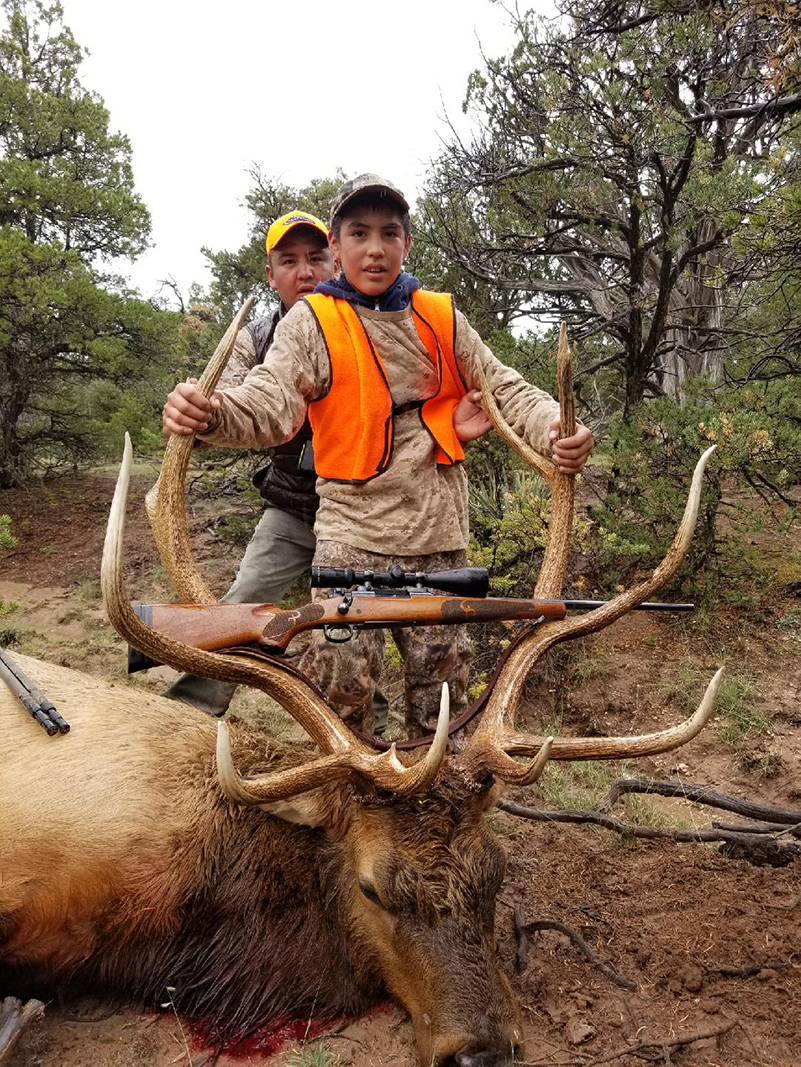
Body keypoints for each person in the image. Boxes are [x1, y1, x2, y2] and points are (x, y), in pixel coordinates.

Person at [164, 175, 593, 738]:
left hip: (437, 538)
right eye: (359, 233)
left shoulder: (440, 317)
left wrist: (556, 427)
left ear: (407, 243)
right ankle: (340, 787)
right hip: (349, 537)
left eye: (389, 233)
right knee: (342, 702)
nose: (375, 249)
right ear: (337, 246)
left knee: (442, 705)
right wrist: (212, 414)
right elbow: (269, 402)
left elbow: (504, 388)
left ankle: (436, 791)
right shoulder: (311, 321)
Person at [161, 210, 336, 717]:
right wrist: (202, 411)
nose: (305, 272)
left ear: (335, 262)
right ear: (270, 275)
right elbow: (230, 396)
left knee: (350, 634)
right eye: (289, 261)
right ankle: (187, 715)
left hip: (360, 517)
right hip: (292, 508)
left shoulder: (365, 327)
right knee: (241, 608)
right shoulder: (255, 339)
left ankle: (366, 740)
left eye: (316, 258)